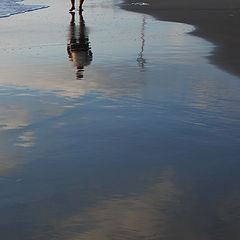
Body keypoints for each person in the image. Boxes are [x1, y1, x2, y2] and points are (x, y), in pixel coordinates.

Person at [67, 12, 93, 79]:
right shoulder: (74, 64)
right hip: (75, 49)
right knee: (73, 35)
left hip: (83, 48)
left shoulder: (86, 63)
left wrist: (89, 48)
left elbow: (90, 55)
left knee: (82, 34)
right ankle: (73, 20)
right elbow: (69, 55)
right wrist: (68, 47)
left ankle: (76, 19)